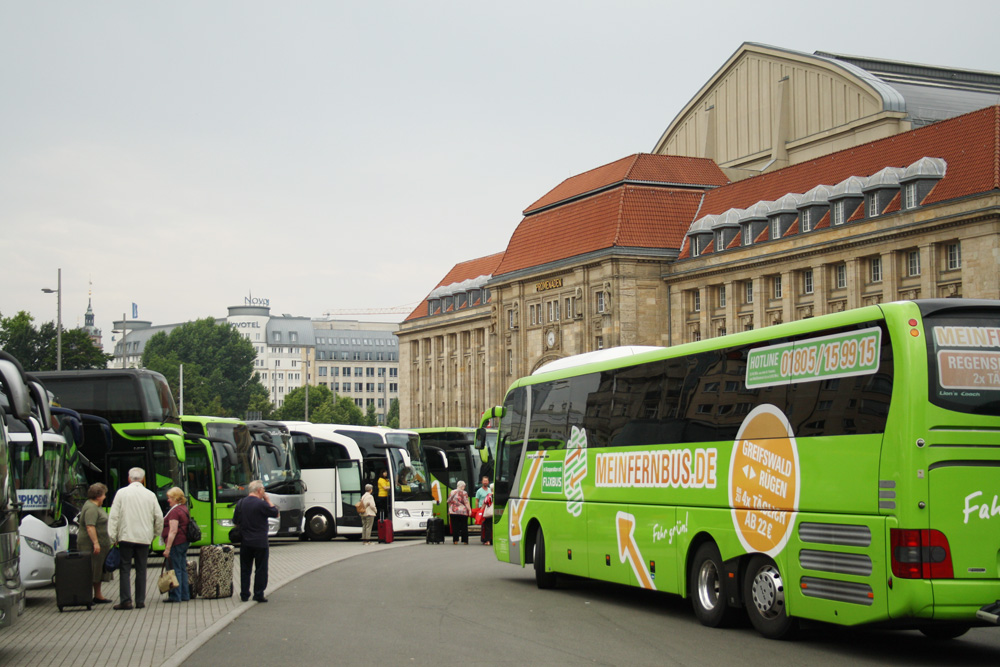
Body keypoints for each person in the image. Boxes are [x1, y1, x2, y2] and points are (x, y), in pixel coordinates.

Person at [107, 467, 164, 610]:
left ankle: (126, 600)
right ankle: (140, 600)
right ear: (143, 479)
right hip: (144, 537)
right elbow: (159, 517)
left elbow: (114, 517)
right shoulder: (150, 495)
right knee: (141, 568)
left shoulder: (121, 493)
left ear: (129, 478)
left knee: (125, 568)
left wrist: (113, 536)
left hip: (126, 536)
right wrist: (154, 534)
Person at [234, 479, 279, 602]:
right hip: (260, 542)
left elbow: (235, 520)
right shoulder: (261, 504)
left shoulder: (241, 503)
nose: (264, 492)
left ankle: (244, 594)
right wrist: (268, 500)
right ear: (259, 490)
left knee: (245, 569)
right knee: (261, 569)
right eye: (263, 490)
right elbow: (276, 513)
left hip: (245, 542)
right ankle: (258, 594)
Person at [77, 482, 113, 604]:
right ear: (98, 496)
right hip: (90, 544)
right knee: (91, 570)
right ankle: (86, 596)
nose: (105, 497)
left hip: (101, 543)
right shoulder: (91, 508)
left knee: (98, 570)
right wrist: (96, 543)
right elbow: (90, 527)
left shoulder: (96, 506)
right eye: (104, 495)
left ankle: (98, 595)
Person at [161, 487, 191, 602]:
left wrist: (167, 548)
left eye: (169, 498)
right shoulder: (183, 509)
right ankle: (185, 594)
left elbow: (173, 531)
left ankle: (175, 596)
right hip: (184, 542)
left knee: (175, 569)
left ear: (175, 498)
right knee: (182, 568)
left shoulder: (174, 512)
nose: (168, 500)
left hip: (176, 543)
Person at [446, 480, 471, 545]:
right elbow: (466, 502)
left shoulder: (452, 492)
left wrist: (452, 507)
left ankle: (455, 540)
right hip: (463, 511)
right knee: (464, 526)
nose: (464, 487)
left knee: (455, 526)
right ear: (462, 486)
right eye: (464, 486)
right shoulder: (464, 493)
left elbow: (448, 501)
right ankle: (465, 541)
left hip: (453, 512)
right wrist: (470, 510)